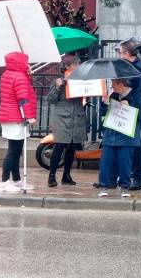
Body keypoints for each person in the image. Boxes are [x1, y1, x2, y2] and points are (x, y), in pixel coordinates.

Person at [0, 52, 37, 194]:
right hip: (16, 117)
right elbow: (23, 98)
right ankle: (4, 181)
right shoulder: (20, 77)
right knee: (13, 151)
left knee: (16, 149)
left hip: (9, 116)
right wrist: (30, 117)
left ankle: (16, 179)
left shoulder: (7, 74)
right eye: (26, 62)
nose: (28, 64)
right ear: (21, 62)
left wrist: (28, 75)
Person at [98, 78, 141, 198]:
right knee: (105, 162)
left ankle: (125, 187)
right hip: (111, 135)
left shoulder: (137, 96)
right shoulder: (113, 95)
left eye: (113, 84)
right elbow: (104, 114)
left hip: (127, 137)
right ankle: (103, 186)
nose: (112, 87)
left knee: (125, 162)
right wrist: (105, 103)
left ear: (121, 84)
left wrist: (130, 107)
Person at [118, 39, 141, 190]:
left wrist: (127, 96)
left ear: (127, 53)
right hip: (130, 110)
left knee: (138, 147)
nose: (119, 56)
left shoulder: (139, 69)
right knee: (128, 145)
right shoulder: (132, 67)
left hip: (136, 111)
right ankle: (127, 176)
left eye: (120, 53)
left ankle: (139, 177)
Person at [46, 56, 86, 187]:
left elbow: (83, 100)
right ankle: (52, 175)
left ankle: (66, 175)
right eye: (76, 64)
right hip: (62, 119)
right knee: (59, 146)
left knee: (71, 148)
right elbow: (51, 100)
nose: (79, 66)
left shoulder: (80, 81)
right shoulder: (58, 81)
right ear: (68, 67)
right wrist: (58, 87)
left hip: (76, 117)